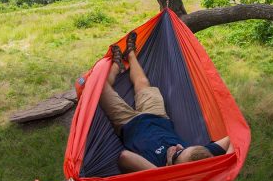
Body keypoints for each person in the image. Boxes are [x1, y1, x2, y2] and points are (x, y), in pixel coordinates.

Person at [99, 32, 234, 173]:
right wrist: (225, 167)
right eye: (183, 148)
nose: (177, 147)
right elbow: (234, 139)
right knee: (143, 83)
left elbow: (124, 157)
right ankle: (131, 54)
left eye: (177, 154)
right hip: (158, 116)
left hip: (129, 123)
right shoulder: (197, 155)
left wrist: (164, 172)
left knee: (100, 87)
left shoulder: (156, 165)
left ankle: (115, 66)